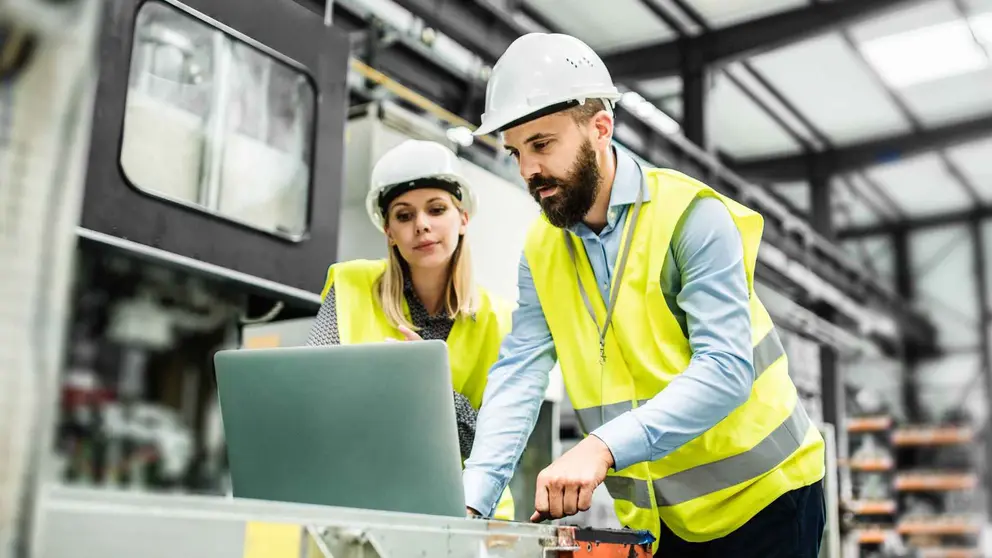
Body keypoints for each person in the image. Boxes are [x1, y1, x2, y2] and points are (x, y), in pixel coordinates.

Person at [462, 33, 826, 557]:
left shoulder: (691, 217)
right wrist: (472, 502)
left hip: (767, 497)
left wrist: (603, 446)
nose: (527, 170)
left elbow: (726, 368)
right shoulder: (541, 251)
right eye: (516, 151)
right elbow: (519, 373)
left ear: (600, 128)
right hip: (663, 518)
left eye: (542, 145)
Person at [305, 139, 515, 520]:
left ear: (463, 219)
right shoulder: (350, 287)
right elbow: (312, 401)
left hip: (468, 514)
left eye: (436, 209)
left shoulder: (500, 320)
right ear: (389, 231)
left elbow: (497, 446)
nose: (422, 225)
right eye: (404, 216)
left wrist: (431, 387)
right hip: (364, 507)